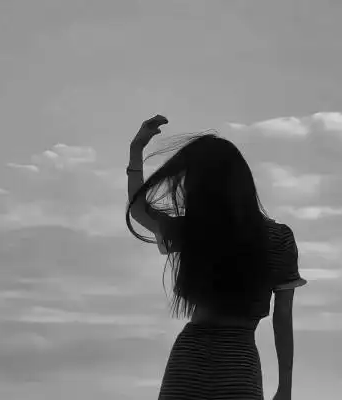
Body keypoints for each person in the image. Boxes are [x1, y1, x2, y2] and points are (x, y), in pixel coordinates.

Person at [126, 115, 308, 400]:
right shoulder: (277, 237)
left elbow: (139, 210)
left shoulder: (198, 231)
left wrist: (136, 150)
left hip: (191, 358)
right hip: (239, 360)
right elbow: (282, 317)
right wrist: (285, 386)